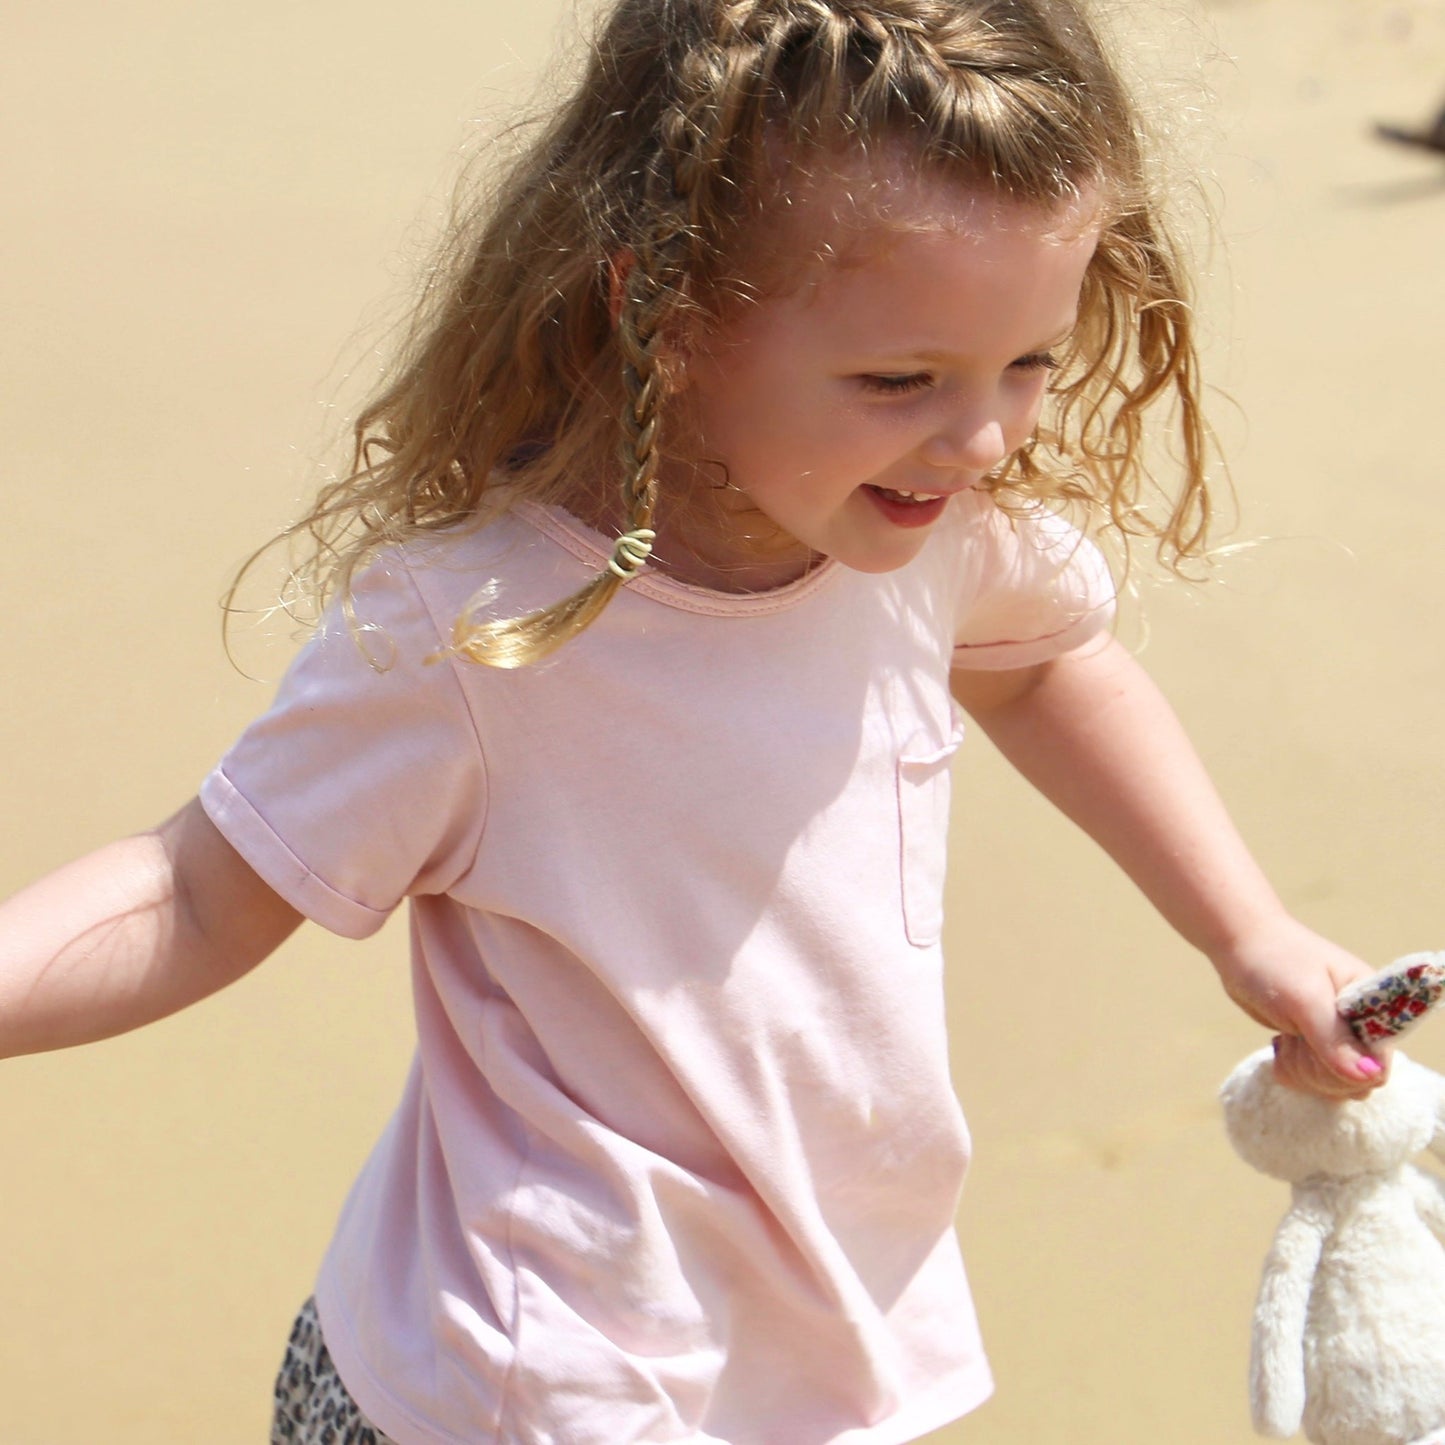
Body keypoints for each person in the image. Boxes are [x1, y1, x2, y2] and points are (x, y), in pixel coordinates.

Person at [0, 0, 1389, 1441]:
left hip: (814, 1359)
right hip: (527, 1382)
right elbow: (195, 890)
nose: (979, 437)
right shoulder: (478, 635)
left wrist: (1245, 928)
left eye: (1027, 362)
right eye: (899, 380)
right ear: (663, 316)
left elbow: (1046, 666)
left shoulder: (928, 539)